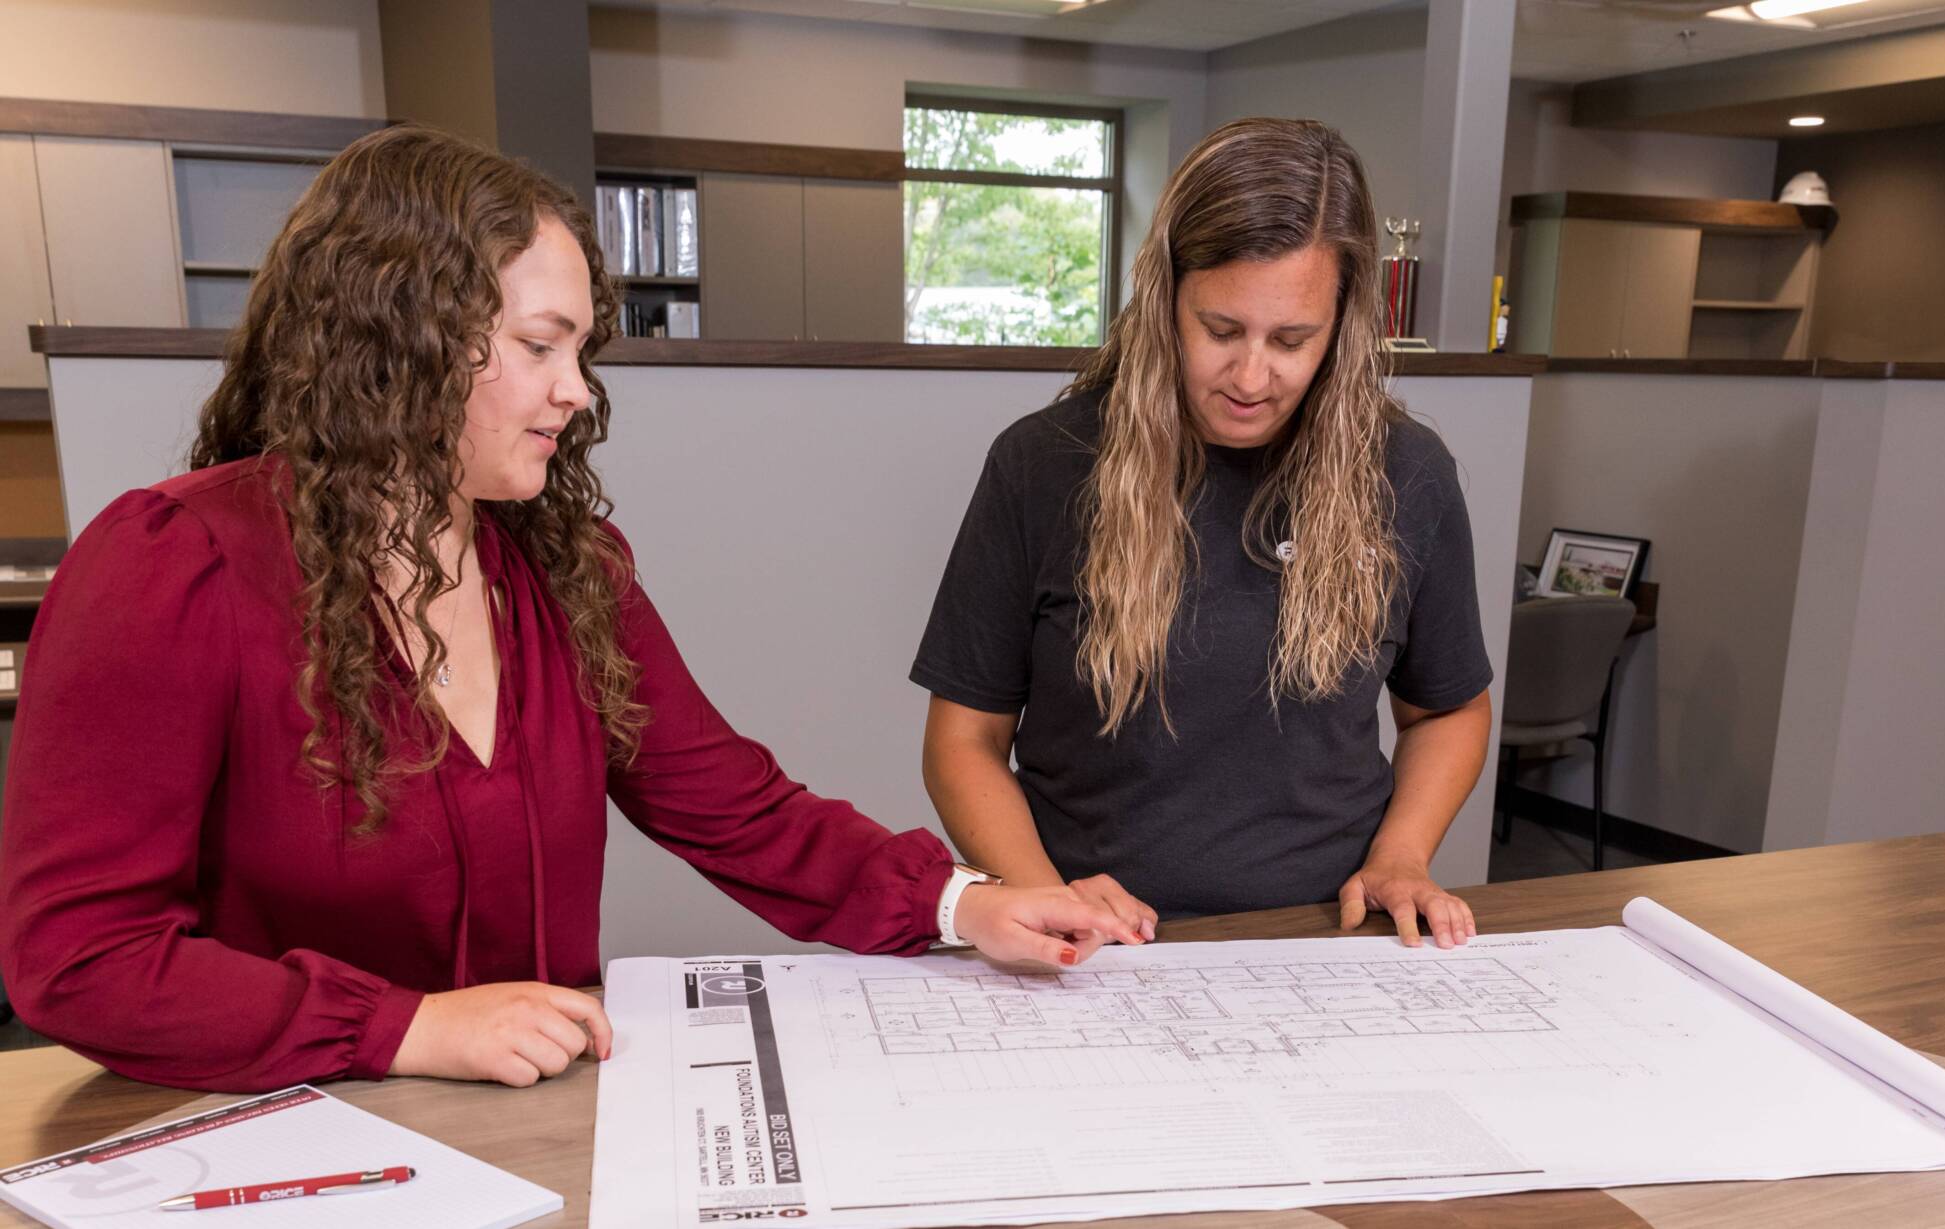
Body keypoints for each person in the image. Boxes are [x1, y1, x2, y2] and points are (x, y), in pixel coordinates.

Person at [0, 125, 1136, 1095]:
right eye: (539, 346)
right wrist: (405, 1026)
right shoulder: (171, 565)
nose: (575, 390)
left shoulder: (565, 566)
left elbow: (738, 808)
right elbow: (80, 957)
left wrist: (957, 902)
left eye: (579, 351)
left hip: (531, 1121)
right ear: (393, 341)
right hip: (281, 1136)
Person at [913, 118, 1494, 948]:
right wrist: (1047, 899)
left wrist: (1403, 855)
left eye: (1293, 340)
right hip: (1093, 939)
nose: (1252, 377)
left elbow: (1450, 710)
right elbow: (963, 742)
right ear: (1166, 301)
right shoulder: (1042, 464)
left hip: (1326, 935)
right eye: (1220, 330)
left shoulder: (1408, 471)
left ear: (1343, 324)